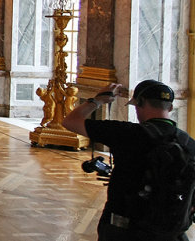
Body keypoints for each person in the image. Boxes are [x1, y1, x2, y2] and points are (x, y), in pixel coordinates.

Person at [62, 80, 195, 240]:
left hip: (125, 230)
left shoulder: (127, 133)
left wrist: (97, 100)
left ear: (139, 103)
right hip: (170, 232)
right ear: (171, 108)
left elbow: (70, 122)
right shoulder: (189, 143)